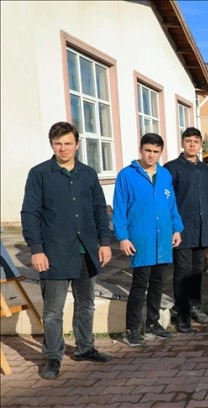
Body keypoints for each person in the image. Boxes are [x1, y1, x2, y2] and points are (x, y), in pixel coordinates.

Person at [21, 121, 113, 379]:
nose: (63, 148)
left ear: (77, 144)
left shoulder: (89, 173)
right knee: (53, 311)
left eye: (68, 143)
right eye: (58, 144)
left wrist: (104, 242)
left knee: (86, 305)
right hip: (54, 253)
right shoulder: (39, 174)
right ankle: (53, 357)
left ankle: (85, 348)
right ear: (52, 145)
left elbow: (99, 210)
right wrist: (36, 249)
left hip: (86, 251)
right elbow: (30, 213)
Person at [114, 133, 183, 346]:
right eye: (148, 150)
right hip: (141, 240)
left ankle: (153, 323)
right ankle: (132, 329)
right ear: (141, 150)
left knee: (158, 283)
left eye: (155, 151)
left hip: (162, 240)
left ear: (161, 152)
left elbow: (171, 205)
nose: (151, 155)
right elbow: (119, 208)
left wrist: (177, 229)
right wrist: (123, 237)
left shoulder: (164, 175)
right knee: (139, 285)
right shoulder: (127, 175)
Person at [164, 127, 208, 332]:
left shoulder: (205, 169)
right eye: (188, 141)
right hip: (181, 229)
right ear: (182, 143)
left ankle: (195, 306)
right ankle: (182, 313)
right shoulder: (171, 168)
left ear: (201, 144)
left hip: (202, 229)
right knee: (182, 272)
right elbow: (166, 201)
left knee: (197, 270)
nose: (192, 144)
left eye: (196, 141)